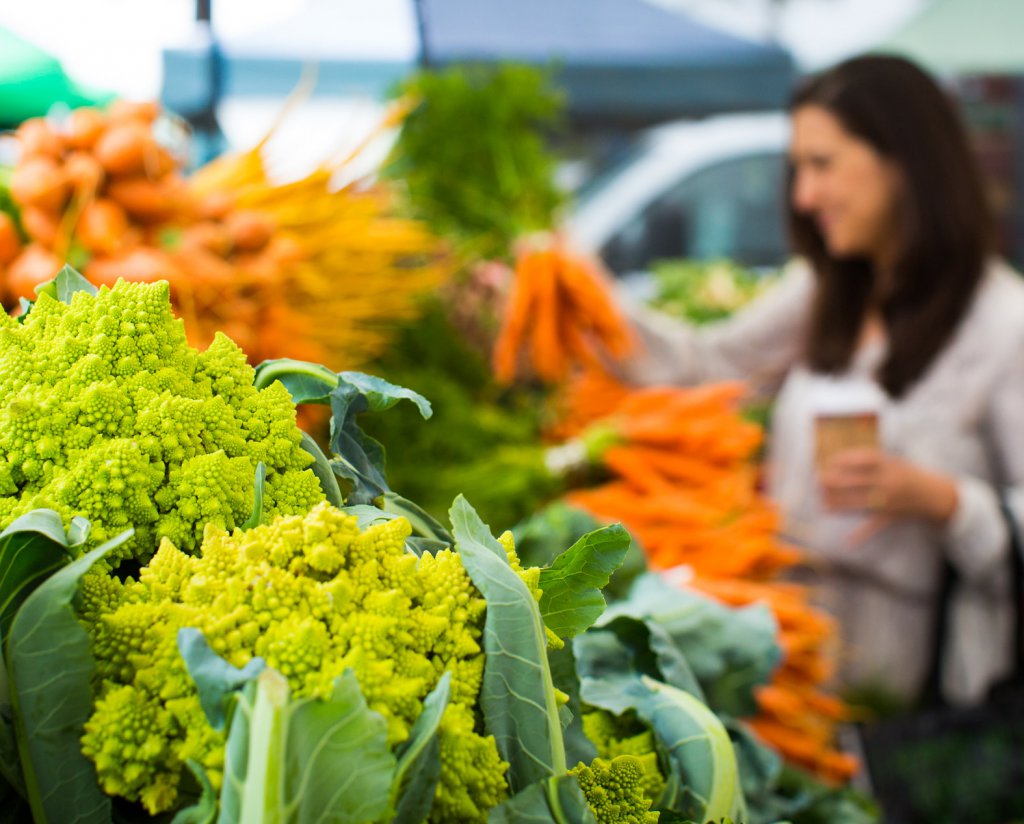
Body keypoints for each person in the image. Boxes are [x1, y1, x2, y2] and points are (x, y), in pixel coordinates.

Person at [614, 54, 1024, 707]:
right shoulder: (827, 288)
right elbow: (707, 368)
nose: (803, 197)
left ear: (905, 161)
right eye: (797, 169)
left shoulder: (1004, 325)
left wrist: (944, 500)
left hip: (920, 698)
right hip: (790, 669)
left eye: (822, 164)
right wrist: (578, 301)